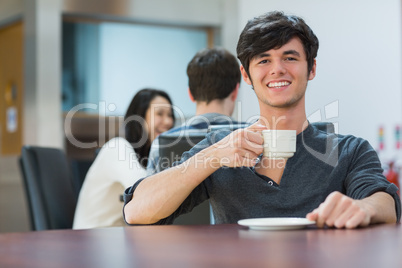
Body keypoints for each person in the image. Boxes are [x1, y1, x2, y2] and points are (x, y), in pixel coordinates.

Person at [123, 11, 401, 229]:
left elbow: (386, 202)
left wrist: (363, 208)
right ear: (246, 76)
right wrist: (214, 156)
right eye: (264, 60)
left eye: (289, 57)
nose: (277, 69)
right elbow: (137, 211)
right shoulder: (221, 146)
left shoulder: (350, 150)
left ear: (311, 68)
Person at [73, 88, 175, 229]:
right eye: (160, 114)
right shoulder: (117, 147)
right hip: (93, 241)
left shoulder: (148, 158)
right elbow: (146, 193)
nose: (168, 121)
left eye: (170, 115)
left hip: (118, 239)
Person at [146, 47, 244, 174]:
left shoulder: (161, 143)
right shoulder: (255, 138)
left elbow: (151, 193)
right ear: (235, 91)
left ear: (190, 94)